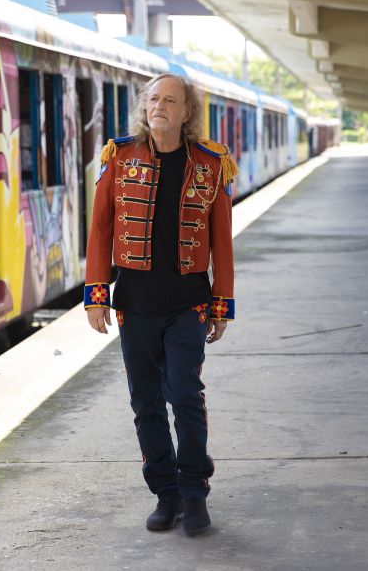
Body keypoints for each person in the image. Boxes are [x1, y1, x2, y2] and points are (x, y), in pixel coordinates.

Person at [84, 73, 236, 537]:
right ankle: (165, 494)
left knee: (186, 396)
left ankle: (194, 493)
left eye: (170, 100)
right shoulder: (120, 157)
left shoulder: (212, 165)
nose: (159, 106)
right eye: (153, 99)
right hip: (136, 305)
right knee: (146, 402)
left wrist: (221, 303)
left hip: (188, 304)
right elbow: (101, 229)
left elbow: (222, 242)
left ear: (187, 112)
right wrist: (96, 294)